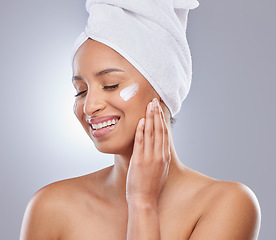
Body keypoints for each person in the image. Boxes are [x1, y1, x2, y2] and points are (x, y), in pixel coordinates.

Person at [20, 0, 261, 239]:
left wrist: (142, 203)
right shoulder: (50, 206)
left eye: (111, 85)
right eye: (81, 90)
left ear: (162, 89)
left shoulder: (227, 204)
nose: (90, 106)